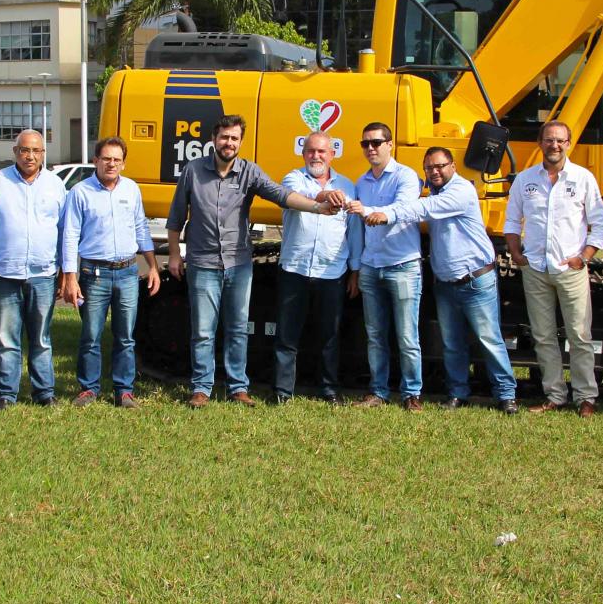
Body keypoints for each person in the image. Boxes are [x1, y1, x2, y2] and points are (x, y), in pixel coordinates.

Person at [166, 114, 342, 408]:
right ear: (214, 139)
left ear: (240, 142)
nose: (229, 143)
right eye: (224, 137)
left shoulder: (249, 172)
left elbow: (282, 195)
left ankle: (238, 387)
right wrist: (174, 254)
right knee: (203, 330)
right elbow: (175, 217)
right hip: (203, 262)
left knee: (237, 328)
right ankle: (201, 388)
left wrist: (317, 208)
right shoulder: (193, 171)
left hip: (239, 263)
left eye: (234, 138)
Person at [359, 147, 518, 414]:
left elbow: (425, 208)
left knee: (489, 339)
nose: (434, 172)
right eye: (429, 168)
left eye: (440, 166)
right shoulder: (433, 190)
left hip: (475, 279)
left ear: (453, 166)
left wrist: (388, 213)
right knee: (451, 343)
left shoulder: (461, 191)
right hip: (445, 281)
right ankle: (458, 393)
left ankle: (506, 395)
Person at [504, 120, 603, 418]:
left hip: (571, 269)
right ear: (540, 142)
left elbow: (599, 222)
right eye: (549, 140)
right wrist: (515, 252)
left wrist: (584, 256)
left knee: (579, 334)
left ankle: (586, 397)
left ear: (569, 143)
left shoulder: (583, 178)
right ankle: (554, 395)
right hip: (536, 268)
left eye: (560, 141)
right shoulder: (525, 180)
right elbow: (512, 221)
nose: (555, 145)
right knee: (543, 335)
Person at [58, 137, 162, 409]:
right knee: (91, 335)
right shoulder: (80, 192)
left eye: (117, 159)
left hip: (127, 272)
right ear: (96, 161)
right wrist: (70, 277)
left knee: (125, 336)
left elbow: (141, 228)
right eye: (106, 158)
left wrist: (152, 266)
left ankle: (123, 391)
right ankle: (88, 389)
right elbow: (70, 236)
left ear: (124, 163)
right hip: (94, 274)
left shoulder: (131, 190)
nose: (111, 164)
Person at [0, 129, 67, 410]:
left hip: (43, 275)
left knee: (41, 338)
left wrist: (65, 273)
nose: (30, 156)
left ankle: (44, 393)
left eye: (36, 151)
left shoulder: (56, 186)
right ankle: (7, 393)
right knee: (7, 338)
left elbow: (65, 232)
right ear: (15, 152)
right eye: (25, 150)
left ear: (43, 154)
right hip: (6, 274)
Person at [273, 131, 362, 404]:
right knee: (287, 336)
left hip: (332, 272)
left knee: (330, 336)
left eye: (322, 151)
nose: (316, 156)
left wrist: (355, 271)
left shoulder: (349, 186)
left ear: (332, 154)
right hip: (294, 269)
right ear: (303, 153)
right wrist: (326, 194)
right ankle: (282, 392)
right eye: (311, 151)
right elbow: (302, 195)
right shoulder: (293, 178)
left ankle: (329, 390)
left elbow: (354, 232)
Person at [350, 121, 425, 410]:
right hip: (371, 265)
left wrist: (369, 211)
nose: (370, 148)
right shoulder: (362, 182)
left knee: (407, 335)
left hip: (402, 265)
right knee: (375, 335)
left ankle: (411, 394)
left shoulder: (407, 177)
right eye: (365, 143)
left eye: (376, 142)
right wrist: (356, 267)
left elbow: (404, 209)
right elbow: (358, 228)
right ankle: (378, 391)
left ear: (390, 145)